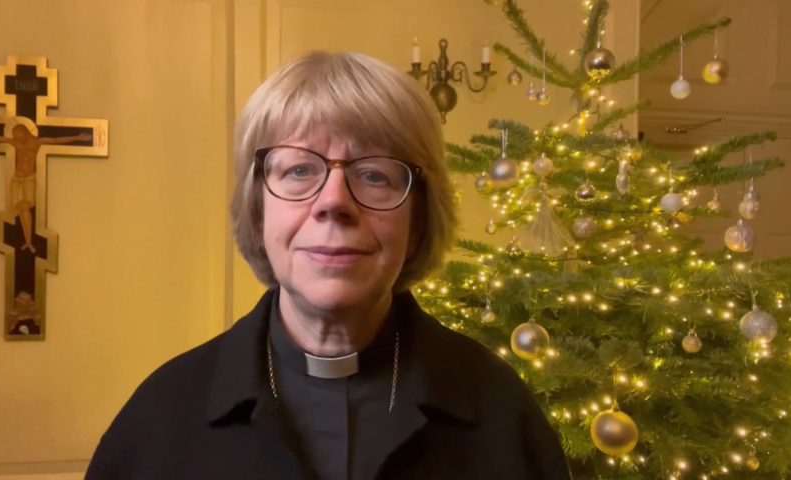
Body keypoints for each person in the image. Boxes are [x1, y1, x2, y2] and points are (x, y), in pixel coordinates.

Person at [85, 51, 571, 480]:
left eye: (374, 174)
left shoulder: (501, 412)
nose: (334, 201)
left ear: (419, 218)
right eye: (299, 169)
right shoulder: (162, 417)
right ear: (258, 210)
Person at [0, 124, 91, 252]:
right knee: (20, 209)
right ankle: (26, 240)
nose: (17, 138)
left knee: (26, 208)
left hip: (29, 179)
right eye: (15, 136)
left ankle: (29, 240)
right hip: (17, 178)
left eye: (19, 135)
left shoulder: (37, 142)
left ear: (25, 131)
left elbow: (56, 140)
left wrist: (77, 138)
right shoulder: (15, 142)